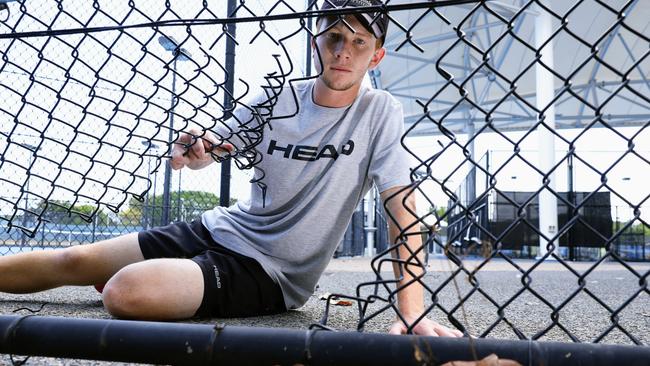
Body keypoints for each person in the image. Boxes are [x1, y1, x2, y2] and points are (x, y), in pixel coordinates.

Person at [0, 0, 462, 337]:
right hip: (220, 227)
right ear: (317, 42)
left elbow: (402, 207)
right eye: (334, 37)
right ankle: (173, 271)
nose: (344, 51)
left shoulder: (380, 111)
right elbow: (216, 147)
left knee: (124, 293)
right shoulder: (280, 97)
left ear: (375, 56)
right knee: (75, 260)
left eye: (359, 42)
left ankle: (167, 276)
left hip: (272, 270)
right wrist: (196, 153)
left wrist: (412, 309)